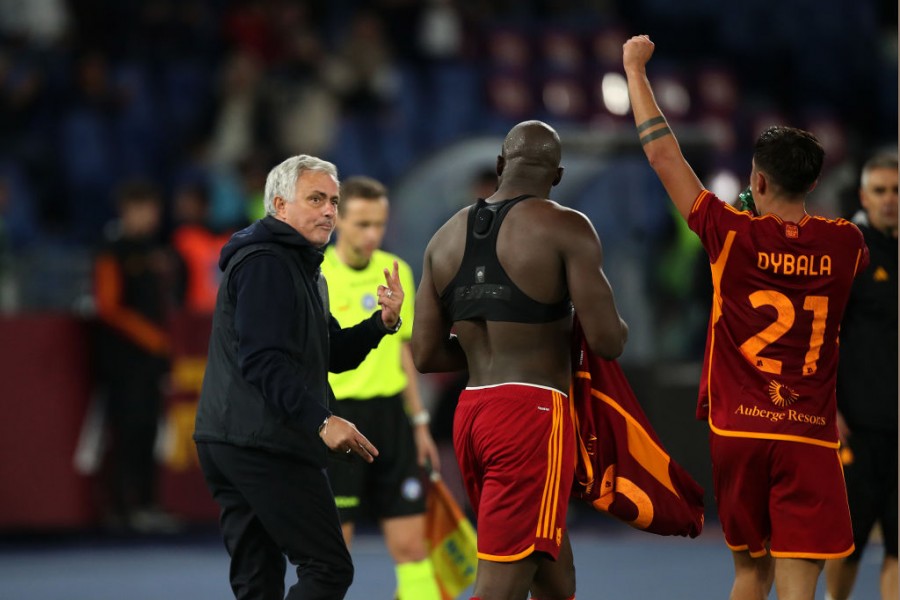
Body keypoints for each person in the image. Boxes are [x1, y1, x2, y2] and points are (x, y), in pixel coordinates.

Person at [622, 35, 870, 600]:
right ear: (813, 183)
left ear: (757, 182)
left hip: (738, 429)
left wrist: (635, 69)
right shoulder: (847, 244)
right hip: (809, 434)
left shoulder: (727, 234)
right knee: (799, 582)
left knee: (749, 576)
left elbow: (663, 155)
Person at [411, 120, 629, 600]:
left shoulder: (443, 238)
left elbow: (425, 354)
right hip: (531, 417)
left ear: (499, 166)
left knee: (553, 574)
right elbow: (608, 340)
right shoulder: (566, 226)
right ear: (557, 175)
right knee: (500, 587)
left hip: (471, 416)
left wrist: (483, 351)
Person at [193, 155, 406, 600]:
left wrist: (380, 323)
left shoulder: (300, 265)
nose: (330, 210)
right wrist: (323, 421)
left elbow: (330, 354)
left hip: (233, 438)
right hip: (263, 442)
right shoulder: (268, 263)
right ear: (279, 205)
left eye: (333, 200)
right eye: (315, 199)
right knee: (327, 568)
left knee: (259, 582)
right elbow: (263, 361)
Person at [321, 175, 442, 599]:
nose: (373, 234)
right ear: (337, 220)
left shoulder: (397, 272)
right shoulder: (318, 275)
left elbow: (404, 356)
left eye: (379, 224)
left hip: (391, 419)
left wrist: (421, 425)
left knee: (412, 546)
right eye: (362, 224)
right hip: (340, 424)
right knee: (335, 553)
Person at [824, 153, 898, 600]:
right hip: (856, 427)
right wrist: (829, 409)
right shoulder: (850, 252)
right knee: (846, 544)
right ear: (863, 196)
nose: (890, 200)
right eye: (881, 191)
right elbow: (820, 334)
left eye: (897, 191)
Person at [92, 179, 179, 532]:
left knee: (147, 431)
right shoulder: (112, 252)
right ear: (127, 210)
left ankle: (147, 504)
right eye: (143, 209)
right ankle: (120, 509)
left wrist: (159, 345)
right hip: (121, 360)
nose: (150, 216)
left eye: (154, 209)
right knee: (125, 432)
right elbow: (109, 308)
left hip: (149, 360)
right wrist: (151, 339)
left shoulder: (154, 252)